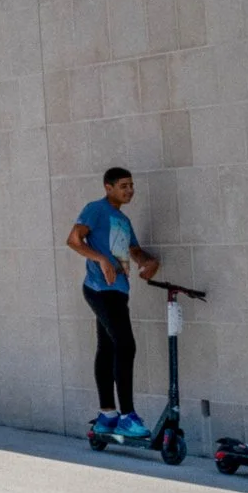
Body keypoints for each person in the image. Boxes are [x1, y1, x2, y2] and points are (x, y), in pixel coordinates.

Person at [65, 167, 159, 440]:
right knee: (125, 344)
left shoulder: (123, 220)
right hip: (99, 289)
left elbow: (134, 250)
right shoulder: (95, 209)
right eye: (123, 186)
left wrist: (149, 262)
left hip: (118, 290)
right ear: (108, 187)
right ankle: (127, 416)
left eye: (131, 186)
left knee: (107, 347)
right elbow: (73, 240)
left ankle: (107, 415)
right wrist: (101, 259)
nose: (129, 191)